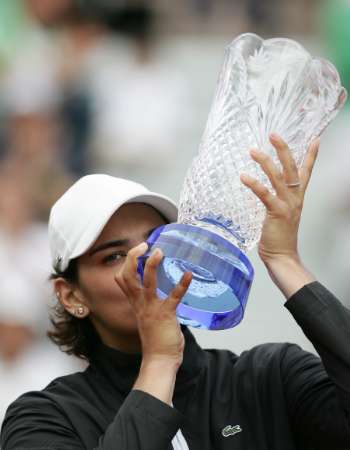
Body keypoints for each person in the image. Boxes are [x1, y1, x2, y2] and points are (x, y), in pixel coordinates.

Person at [1, 134, 350, 450]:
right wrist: (160, 359)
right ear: (71, 296)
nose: (147, 261)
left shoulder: (269, 376)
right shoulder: (42, 419)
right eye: (114, 256)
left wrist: (285, 260)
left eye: (159, 241)